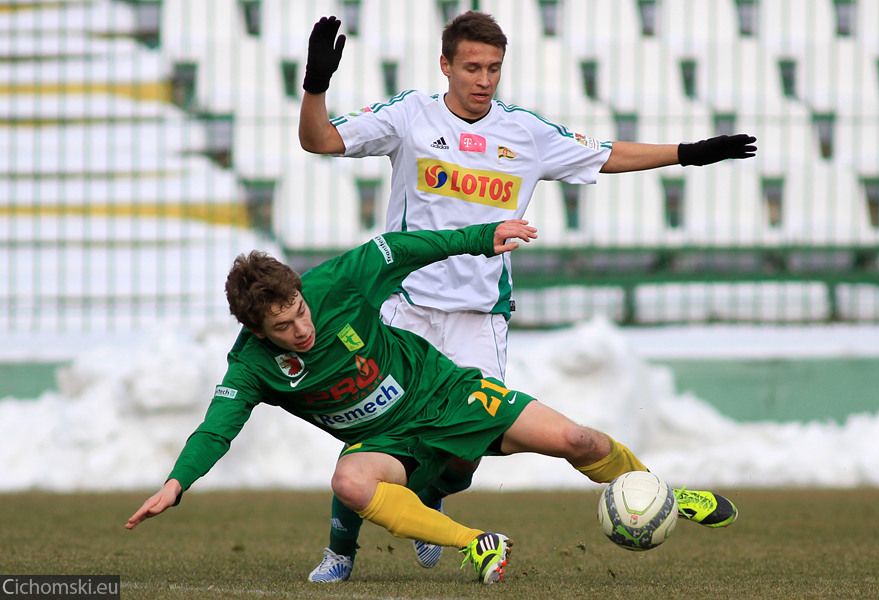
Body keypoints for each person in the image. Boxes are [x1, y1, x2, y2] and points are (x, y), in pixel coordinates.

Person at [298, 11, 756, 581]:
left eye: (493, 67)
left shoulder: (524, 133)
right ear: (445, 65)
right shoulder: (410, 115)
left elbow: (607, 154)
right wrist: (316, 84)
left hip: (478, 317)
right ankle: (340, 552)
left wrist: (688, 153)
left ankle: (431, 494)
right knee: (377, 431)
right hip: (404, 308)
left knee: (462, 454)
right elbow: (317, 140)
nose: (483, 79)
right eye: (471, 67)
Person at [125, 220, 738, 586]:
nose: (301, 330)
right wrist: (177, 483)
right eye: (283, 327)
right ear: (257, 331)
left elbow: (409, 246)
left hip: (443, 393)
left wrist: (482, 237)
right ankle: (475, 542)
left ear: (301, 292)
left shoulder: (338, 279)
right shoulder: (252, 366)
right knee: (350, 479)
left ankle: (661, 493)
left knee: (582, 442)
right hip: (386, 443)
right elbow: (216, 429)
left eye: (300, 312)